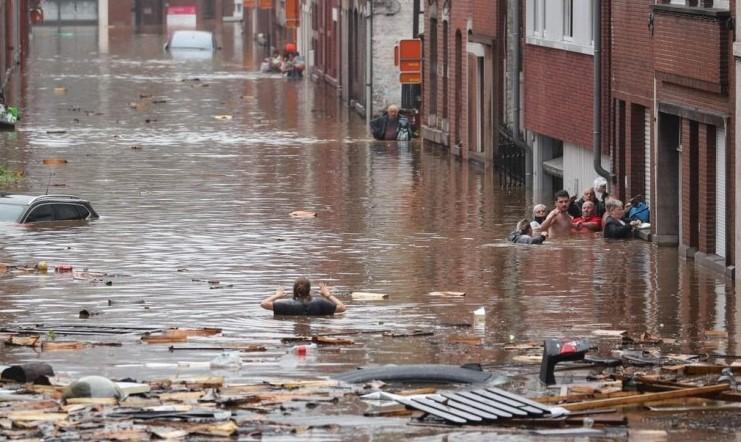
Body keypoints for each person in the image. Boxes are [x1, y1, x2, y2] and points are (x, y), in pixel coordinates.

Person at [261, 278, 346, 316]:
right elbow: (342, 308)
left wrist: (277, 295)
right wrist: (328, 295)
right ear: (309, 290)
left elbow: (264, 304)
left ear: (294, 290)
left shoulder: (285, 304)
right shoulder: (321, 303)